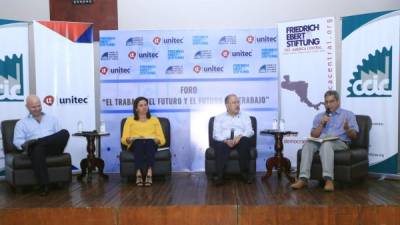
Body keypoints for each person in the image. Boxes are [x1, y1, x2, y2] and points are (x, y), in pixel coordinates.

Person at [291, 90, 358, 191]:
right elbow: (313, 135)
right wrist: (321, 124)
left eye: (331, 101)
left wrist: (347, 129)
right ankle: (303, 179)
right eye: (326, 102)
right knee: (308, 144)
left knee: (326, 144)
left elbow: (354, 136)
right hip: (321, 140)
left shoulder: (348, 115)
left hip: (340, 142)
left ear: (338, 102)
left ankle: (328, 180)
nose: (328, 104)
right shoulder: (319, 116)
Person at [13, 95, 70, 196]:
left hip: (53, 148)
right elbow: (17, 142)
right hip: (35, 150)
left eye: (39, 106)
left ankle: (38, 142)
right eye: (33, 107)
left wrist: (38, 141)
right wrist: (29, 145)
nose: (37, 109)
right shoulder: (21, 123)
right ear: (27, 107)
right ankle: (44, 185)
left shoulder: (52, 119)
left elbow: (59, 136)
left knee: (65, 132)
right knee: (37, 148)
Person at [121, 97, 166, 187]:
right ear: (136, 108)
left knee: (149, 142)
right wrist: (128, 140)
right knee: (138, 143)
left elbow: (162, 139)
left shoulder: (154, 120)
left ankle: (149, 173)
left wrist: (158, 140)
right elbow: (124, 139)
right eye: (141, 105)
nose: (144, 107)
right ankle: (138, 173)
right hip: (135, 144)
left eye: (145, 105)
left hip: (151, 144)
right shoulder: (129, 120)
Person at [212, 94, 255, 185]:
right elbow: (216, 134)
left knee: (245, 141)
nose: (237, 105)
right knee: (219, 145)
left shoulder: (245, 117)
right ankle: (219, 176)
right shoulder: (219, 118)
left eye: (238, 102)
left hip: (240, 140)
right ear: (227, 105)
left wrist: (240, 136)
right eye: (234, 102)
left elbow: (250, 131)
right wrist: (226, 140)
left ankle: (245, 174)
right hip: (224, 141)